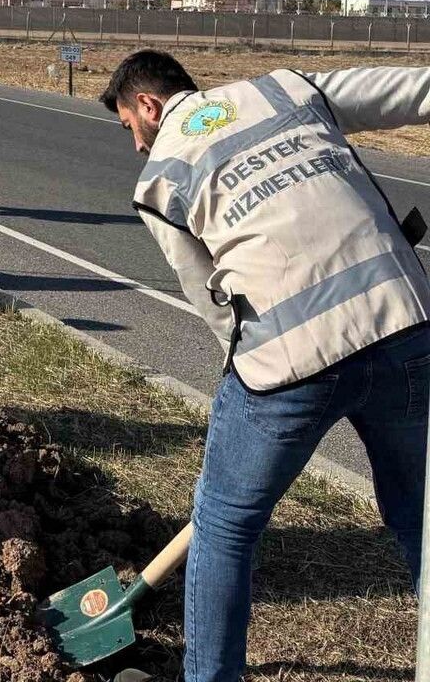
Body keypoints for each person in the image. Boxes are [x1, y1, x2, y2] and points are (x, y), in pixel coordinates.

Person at [101, 50, 430, 682]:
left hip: (286, 365)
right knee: (422, 511)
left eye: (127, 128)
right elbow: (411, 91)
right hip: (405, 327)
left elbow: (214, 306)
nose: (135, 146)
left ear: (147, 105)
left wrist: (251, 374)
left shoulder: (161, 178)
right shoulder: (287, 90)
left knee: (225, 524)